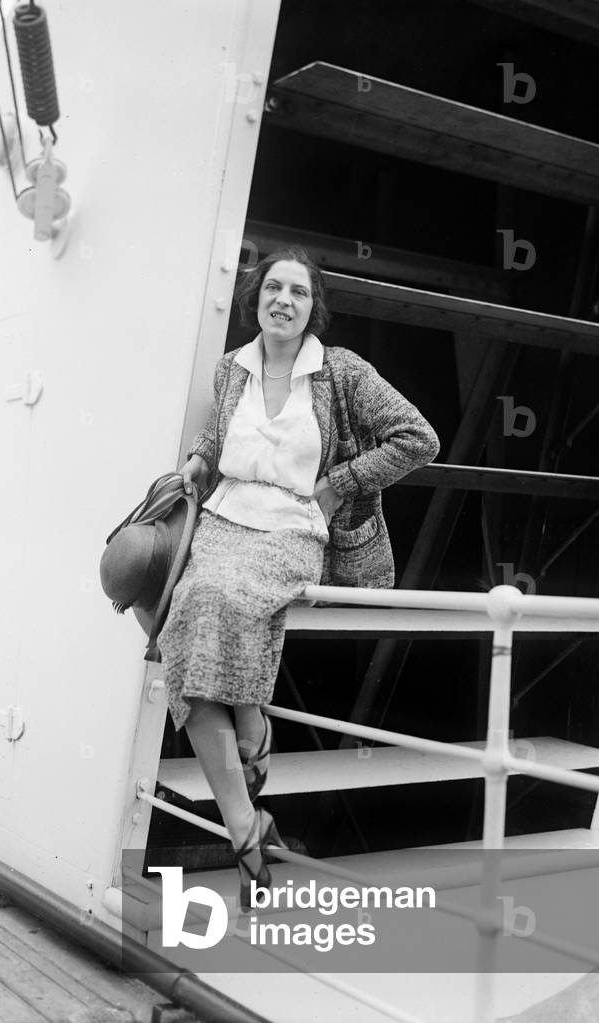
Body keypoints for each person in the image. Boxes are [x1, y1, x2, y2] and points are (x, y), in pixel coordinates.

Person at [157, 246, 439, 911]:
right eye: (274, 288)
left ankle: (251, 742)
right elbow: (215, 434)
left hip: (293, 527)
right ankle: (246, 823)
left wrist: (340, 484)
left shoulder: (339, 371)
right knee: (189, 626)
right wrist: (198, 462)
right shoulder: (234, 369)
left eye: (299, 292)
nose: (284, 300)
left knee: (220, 600)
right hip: (225, 518)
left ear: (314, 307)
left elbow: (418, 437)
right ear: (256, 297)